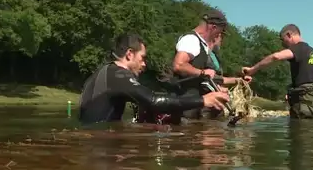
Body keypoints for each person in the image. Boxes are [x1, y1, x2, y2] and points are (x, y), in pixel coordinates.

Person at [78, 33, 230, 125]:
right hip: (98, 144)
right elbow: (153, 100)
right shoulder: (118, 75)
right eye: (142, 58)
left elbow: (146, 99)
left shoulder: (105, 72)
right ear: (130, 54)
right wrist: (203, 100)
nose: (144, 64)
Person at [242, 24, 313, 119]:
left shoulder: (298, 48)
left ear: (289, 35)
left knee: (298, 132)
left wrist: (252, 70)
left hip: (304, 103)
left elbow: (276, 56)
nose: (283, 44)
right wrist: (306, 88)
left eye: (283, 40)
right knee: (312, 131)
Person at [171, 10, 229, 120]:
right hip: (184, 104)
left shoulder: (202, 44)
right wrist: (202, 72)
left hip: (193, 105)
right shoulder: (191, 40)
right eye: (219, 31)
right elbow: (178, 65)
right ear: (213, 27)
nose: (219, 35)